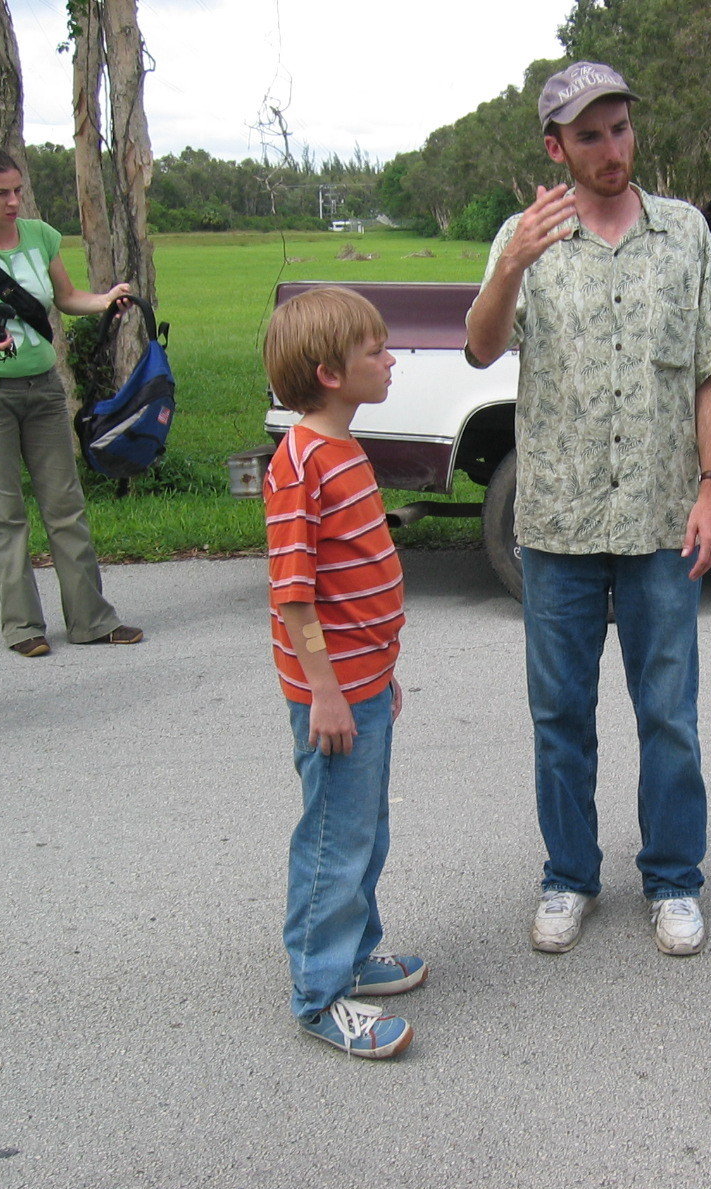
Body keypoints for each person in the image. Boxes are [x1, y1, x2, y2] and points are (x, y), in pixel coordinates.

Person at [465, 62, 711, 957]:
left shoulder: (687, 234)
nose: (612, 149)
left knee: (669, 711)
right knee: (559, 712)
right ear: (556, 148)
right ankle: (569, 875)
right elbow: (480, 349)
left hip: (664, 520)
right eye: (590, 136)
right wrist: (511, 266)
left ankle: (672, 878)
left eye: (620, 129)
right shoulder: (525, 240)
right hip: (557, 524)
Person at [262, 286, 425, 1058]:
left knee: (364, 830)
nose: (390, 359)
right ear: (330, 372)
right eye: (375, 351)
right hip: (333, 694)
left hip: (362, 684)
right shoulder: (302, 465)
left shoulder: (342, 450)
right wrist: (327, 690)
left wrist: (377, 671)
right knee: (334, 838)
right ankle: (319, 994)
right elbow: (294, 599)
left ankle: (356, 956)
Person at [0, 147, 141, 658]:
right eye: (2, 193)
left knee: (65, 506)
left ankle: (90, 620)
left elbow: (66, 298)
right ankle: (22, 627)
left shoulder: (41, 237)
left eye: (18, 190)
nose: (14, 201)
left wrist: (106, 299)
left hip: (42, 389)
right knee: (5, 514)